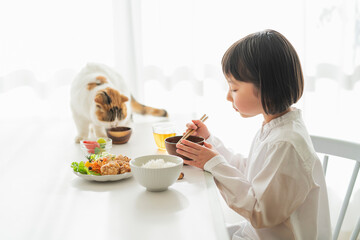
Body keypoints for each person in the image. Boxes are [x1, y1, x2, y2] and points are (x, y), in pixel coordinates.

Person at [176, 29, 332, 240]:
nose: (228, 97)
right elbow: (250, 172)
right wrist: (210, 143)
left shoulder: (285, 143)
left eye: (234, 88)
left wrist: (213, 163)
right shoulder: (277, 128)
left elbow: (260, 212)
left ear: (266, 87)